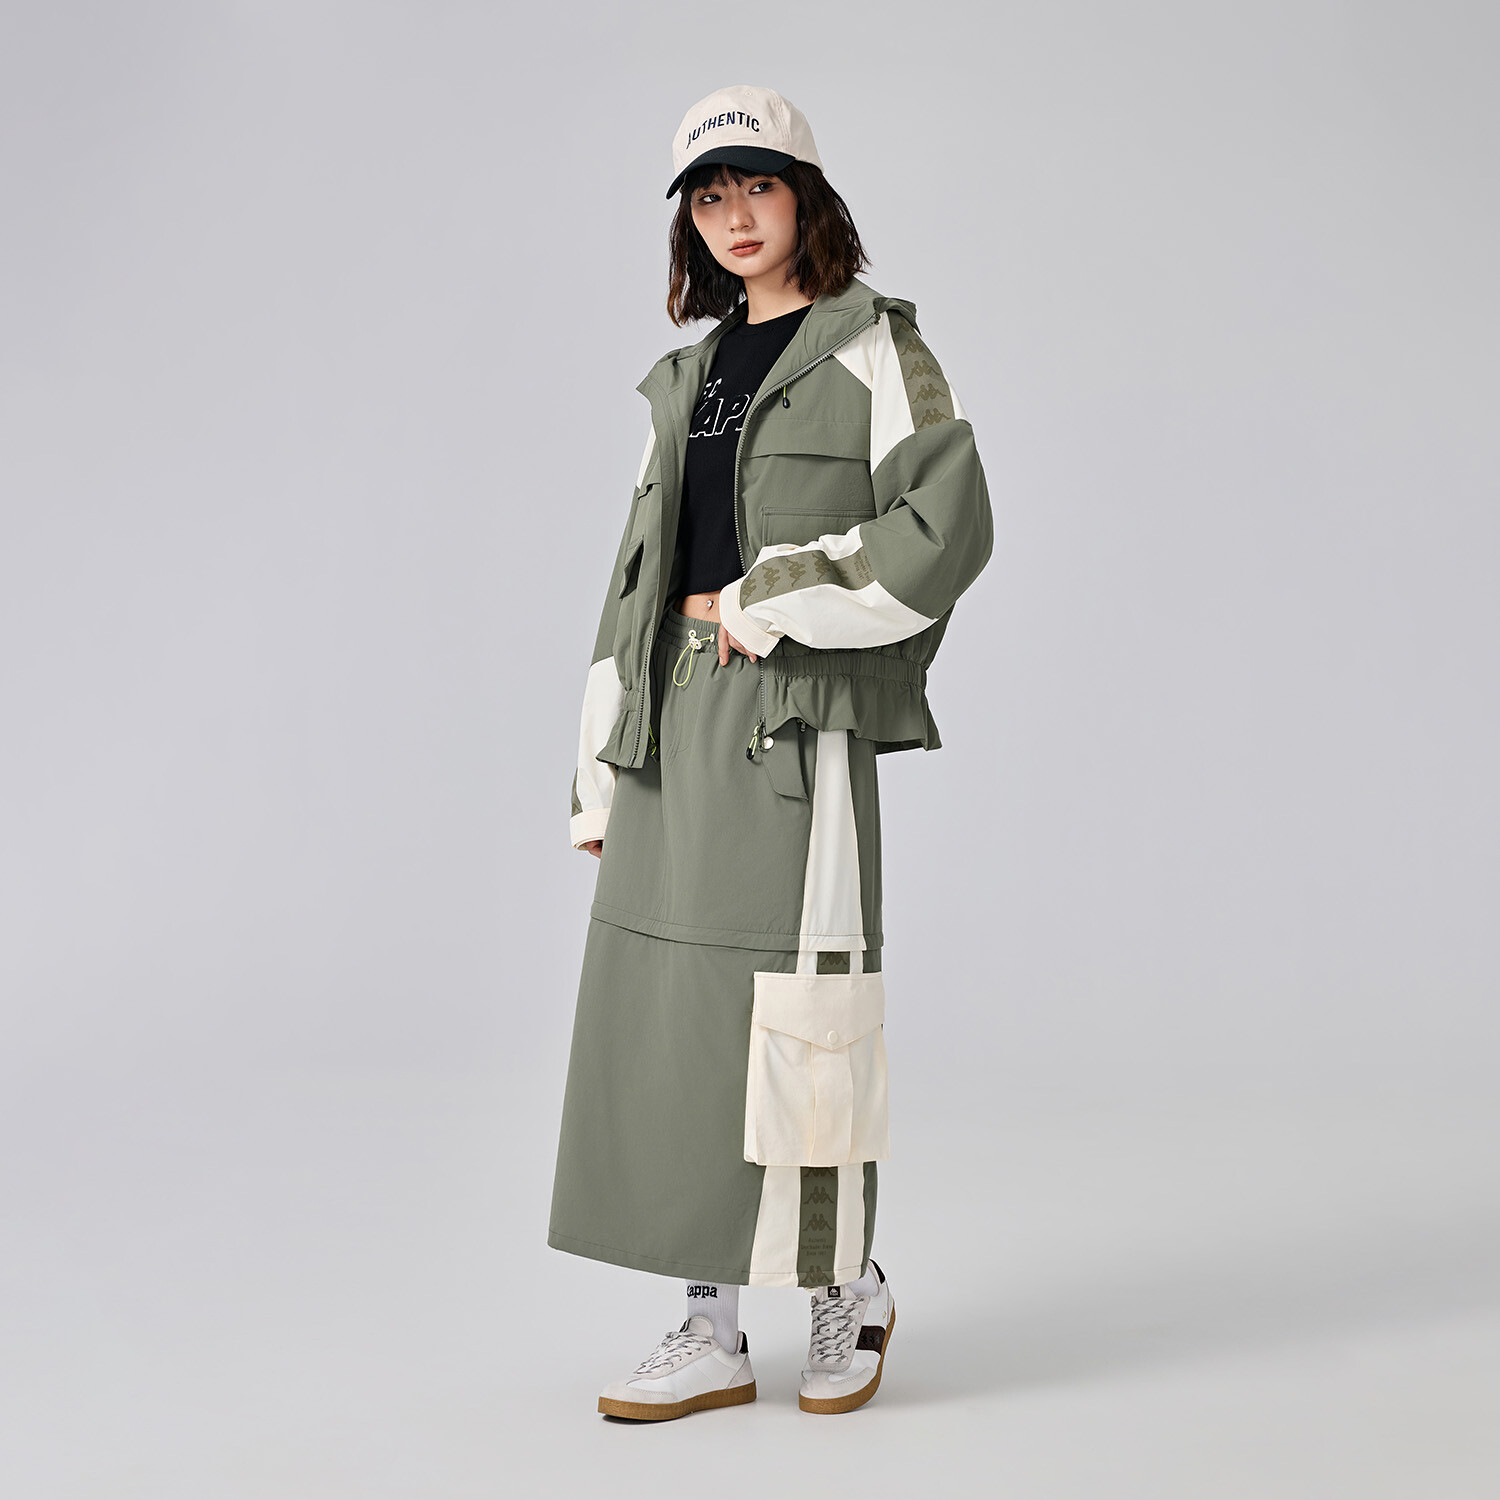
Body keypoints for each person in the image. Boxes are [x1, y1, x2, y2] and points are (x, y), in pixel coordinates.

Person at [550, 83, 994, 1421]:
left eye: (758, 186)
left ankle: (842, 1286)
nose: (735, 215)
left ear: (807, 198)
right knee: (675, 1026)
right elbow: (635, 582)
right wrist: (598, 767)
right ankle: (711, 1325)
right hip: (674, 723)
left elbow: (945, 526)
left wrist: (769, 598)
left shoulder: (874, 346)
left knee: (805, 1018)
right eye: (709, 195)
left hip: (796, 721)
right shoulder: (686, 379)